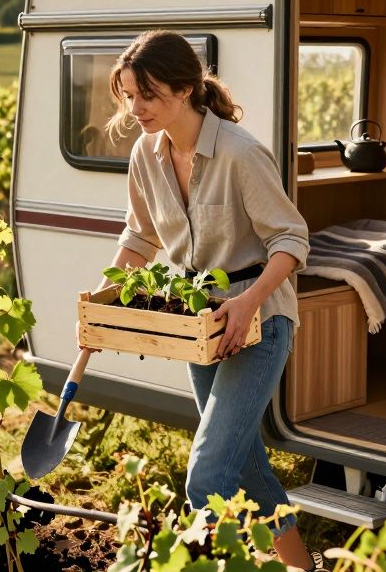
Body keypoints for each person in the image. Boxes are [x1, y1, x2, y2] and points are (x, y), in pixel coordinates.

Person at [82, 29, 323, 571]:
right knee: (246, 468)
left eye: (148, 95)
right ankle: (303, 569)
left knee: (208, 473)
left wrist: (248, 302)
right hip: (201, 321)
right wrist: (103, 300)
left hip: (259, 317)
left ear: (186, 89)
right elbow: (141, 237)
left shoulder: (240, 153)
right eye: (128, 95)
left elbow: (291, 240)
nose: (136, 108)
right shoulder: (146, 154)